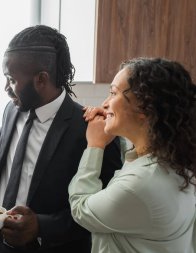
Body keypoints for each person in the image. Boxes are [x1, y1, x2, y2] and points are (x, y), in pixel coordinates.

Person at [0, 25, 122, 253]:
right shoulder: (14, 109)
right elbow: (5, 146)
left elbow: (104, 211)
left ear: (41, 79)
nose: (6, 88)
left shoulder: (92, 130)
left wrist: (40, 226)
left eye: (11, 79)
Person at [69, 57, 196, 252]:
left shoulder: (140, 185)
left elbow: (80, 208)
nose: (105, 104)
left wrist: (95, 146)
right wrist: (114, 126)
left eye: (113, 93)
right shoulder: (174, 163)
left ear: (145, 106)